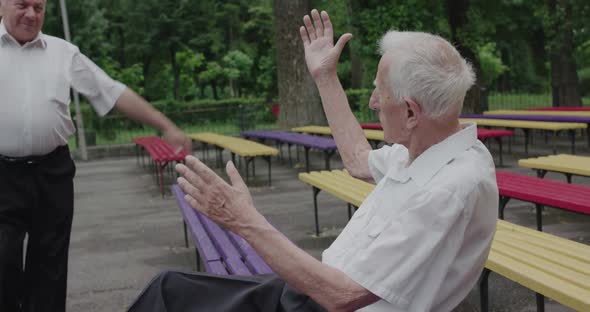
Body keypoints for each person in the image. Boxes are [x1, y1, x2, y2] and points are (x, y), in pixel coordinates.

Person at [129, 9, 498, 312]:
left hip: (324, 301)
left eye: (378, 92)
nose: (372, 102)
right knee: (171, 290)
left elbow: (343, 296)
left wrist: (242, 219)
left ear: (412, 113)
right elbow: (357, 159)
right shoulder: (427, 148)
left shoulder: (449, 188)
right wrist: (324, 77)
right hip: (313, 293)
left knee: (169, 296)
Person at [0, 0, 192, 311]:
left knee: (49, 267)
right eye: (22, 5)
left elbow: (111, 91)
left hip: (52, 173)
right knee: (3, 261)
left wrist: (165, 125)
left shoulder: (62, 53)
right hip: (3, 176)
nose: (32, 15)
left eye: (39, 7)